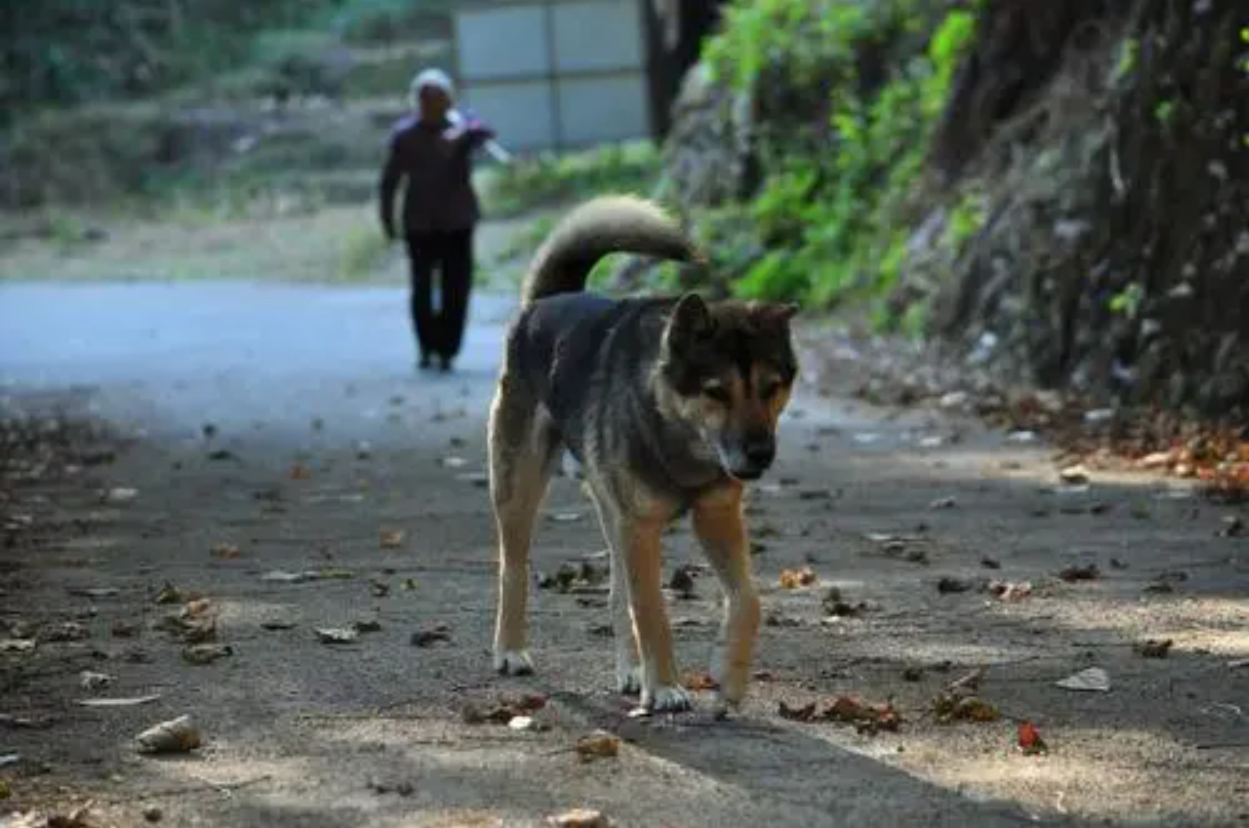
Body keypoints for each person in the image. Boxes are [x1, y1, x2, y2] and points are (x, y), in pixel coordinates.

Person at [378, 68, 496, 373]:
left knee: (456, 287)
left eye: (439, 98)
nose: (432, 104)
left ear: (448, 101)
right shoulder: (405, 136)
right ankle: (427, 346)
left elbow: (485, 132)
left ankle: (448, 348)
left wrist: (462, 131)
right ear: (416, 101)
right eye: (426, 98)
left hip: (458, 222)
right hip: (420, 224)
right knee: (422, 289)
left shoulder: (462, 131)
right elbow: (390, 182)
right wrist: (387, 221)